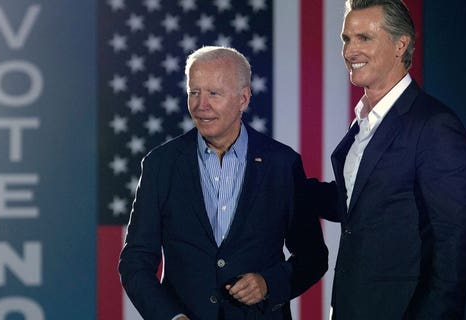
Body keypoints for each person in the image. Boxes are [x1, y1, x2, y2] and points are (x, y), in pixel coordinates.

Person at [118, 46, 328, 320]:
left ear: (243, 98)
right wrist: (171, 317)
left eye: (213, 94)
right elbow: (135, 263)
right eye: (194, 92)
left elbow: (313, 256)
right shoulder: (161, 165)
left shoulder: (282, 164)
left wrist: (268, 283)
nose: (200, 105)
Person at [313, 0, 466, 319]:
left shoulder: (433, 125)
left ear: (401, 44)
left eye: (364, 38)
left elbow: (455, 242)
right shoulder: (365, 121)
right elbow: (356, 204)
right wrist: (281, 182)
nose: (350, 51)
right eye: (346, 39)